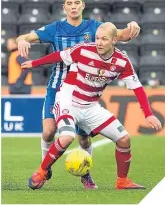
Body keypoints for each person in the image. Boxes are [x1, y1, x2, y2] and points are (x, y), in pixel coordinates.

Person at [17, 0, 141, 188]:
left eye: (77, 3)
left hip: (84, 91)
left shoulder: (94, 27)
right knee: (49, 132)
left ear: (83, 5)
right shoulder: (55, 29)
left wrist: (133, 26)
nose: (73, 7)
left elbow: (121, 35)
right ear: (64, 7)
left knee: (83, 139)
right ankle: (45, 169)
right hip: (58, 88)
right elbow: (24, 37)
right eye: (69, 4)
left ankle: (86, 173)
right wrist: (21, 40)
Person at [22, 22, 162, 190]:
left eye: (104, 39)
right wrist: (34, 63)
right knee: (67, 137)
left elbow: (138, 88)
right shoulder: (83, 50)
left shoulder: (122, 62)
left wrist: (148, 114)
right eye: (97, 38)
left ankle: (122, 181)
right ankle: (41, 172)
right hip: (68, 100)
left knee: (124, 139)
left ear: (114, 40)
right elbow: (59, 56)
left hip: (90, 106)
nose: (99, 42)